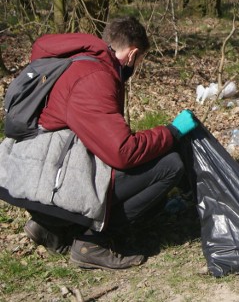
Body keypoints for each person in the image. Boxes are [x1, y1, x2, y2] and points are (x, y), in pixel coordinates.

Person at [1, 17, 198, 270]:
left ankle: (49, 227)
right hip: (45, 185)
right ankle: (91, 243)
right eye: (140, 60)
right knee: (170, 165)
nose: (137, 66)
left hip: (32, 176)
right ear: (133, 54)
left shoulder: (78, 62)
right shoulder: (95, 77)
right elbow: (122, 153)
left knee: (147, 157)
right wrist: (171, 132)